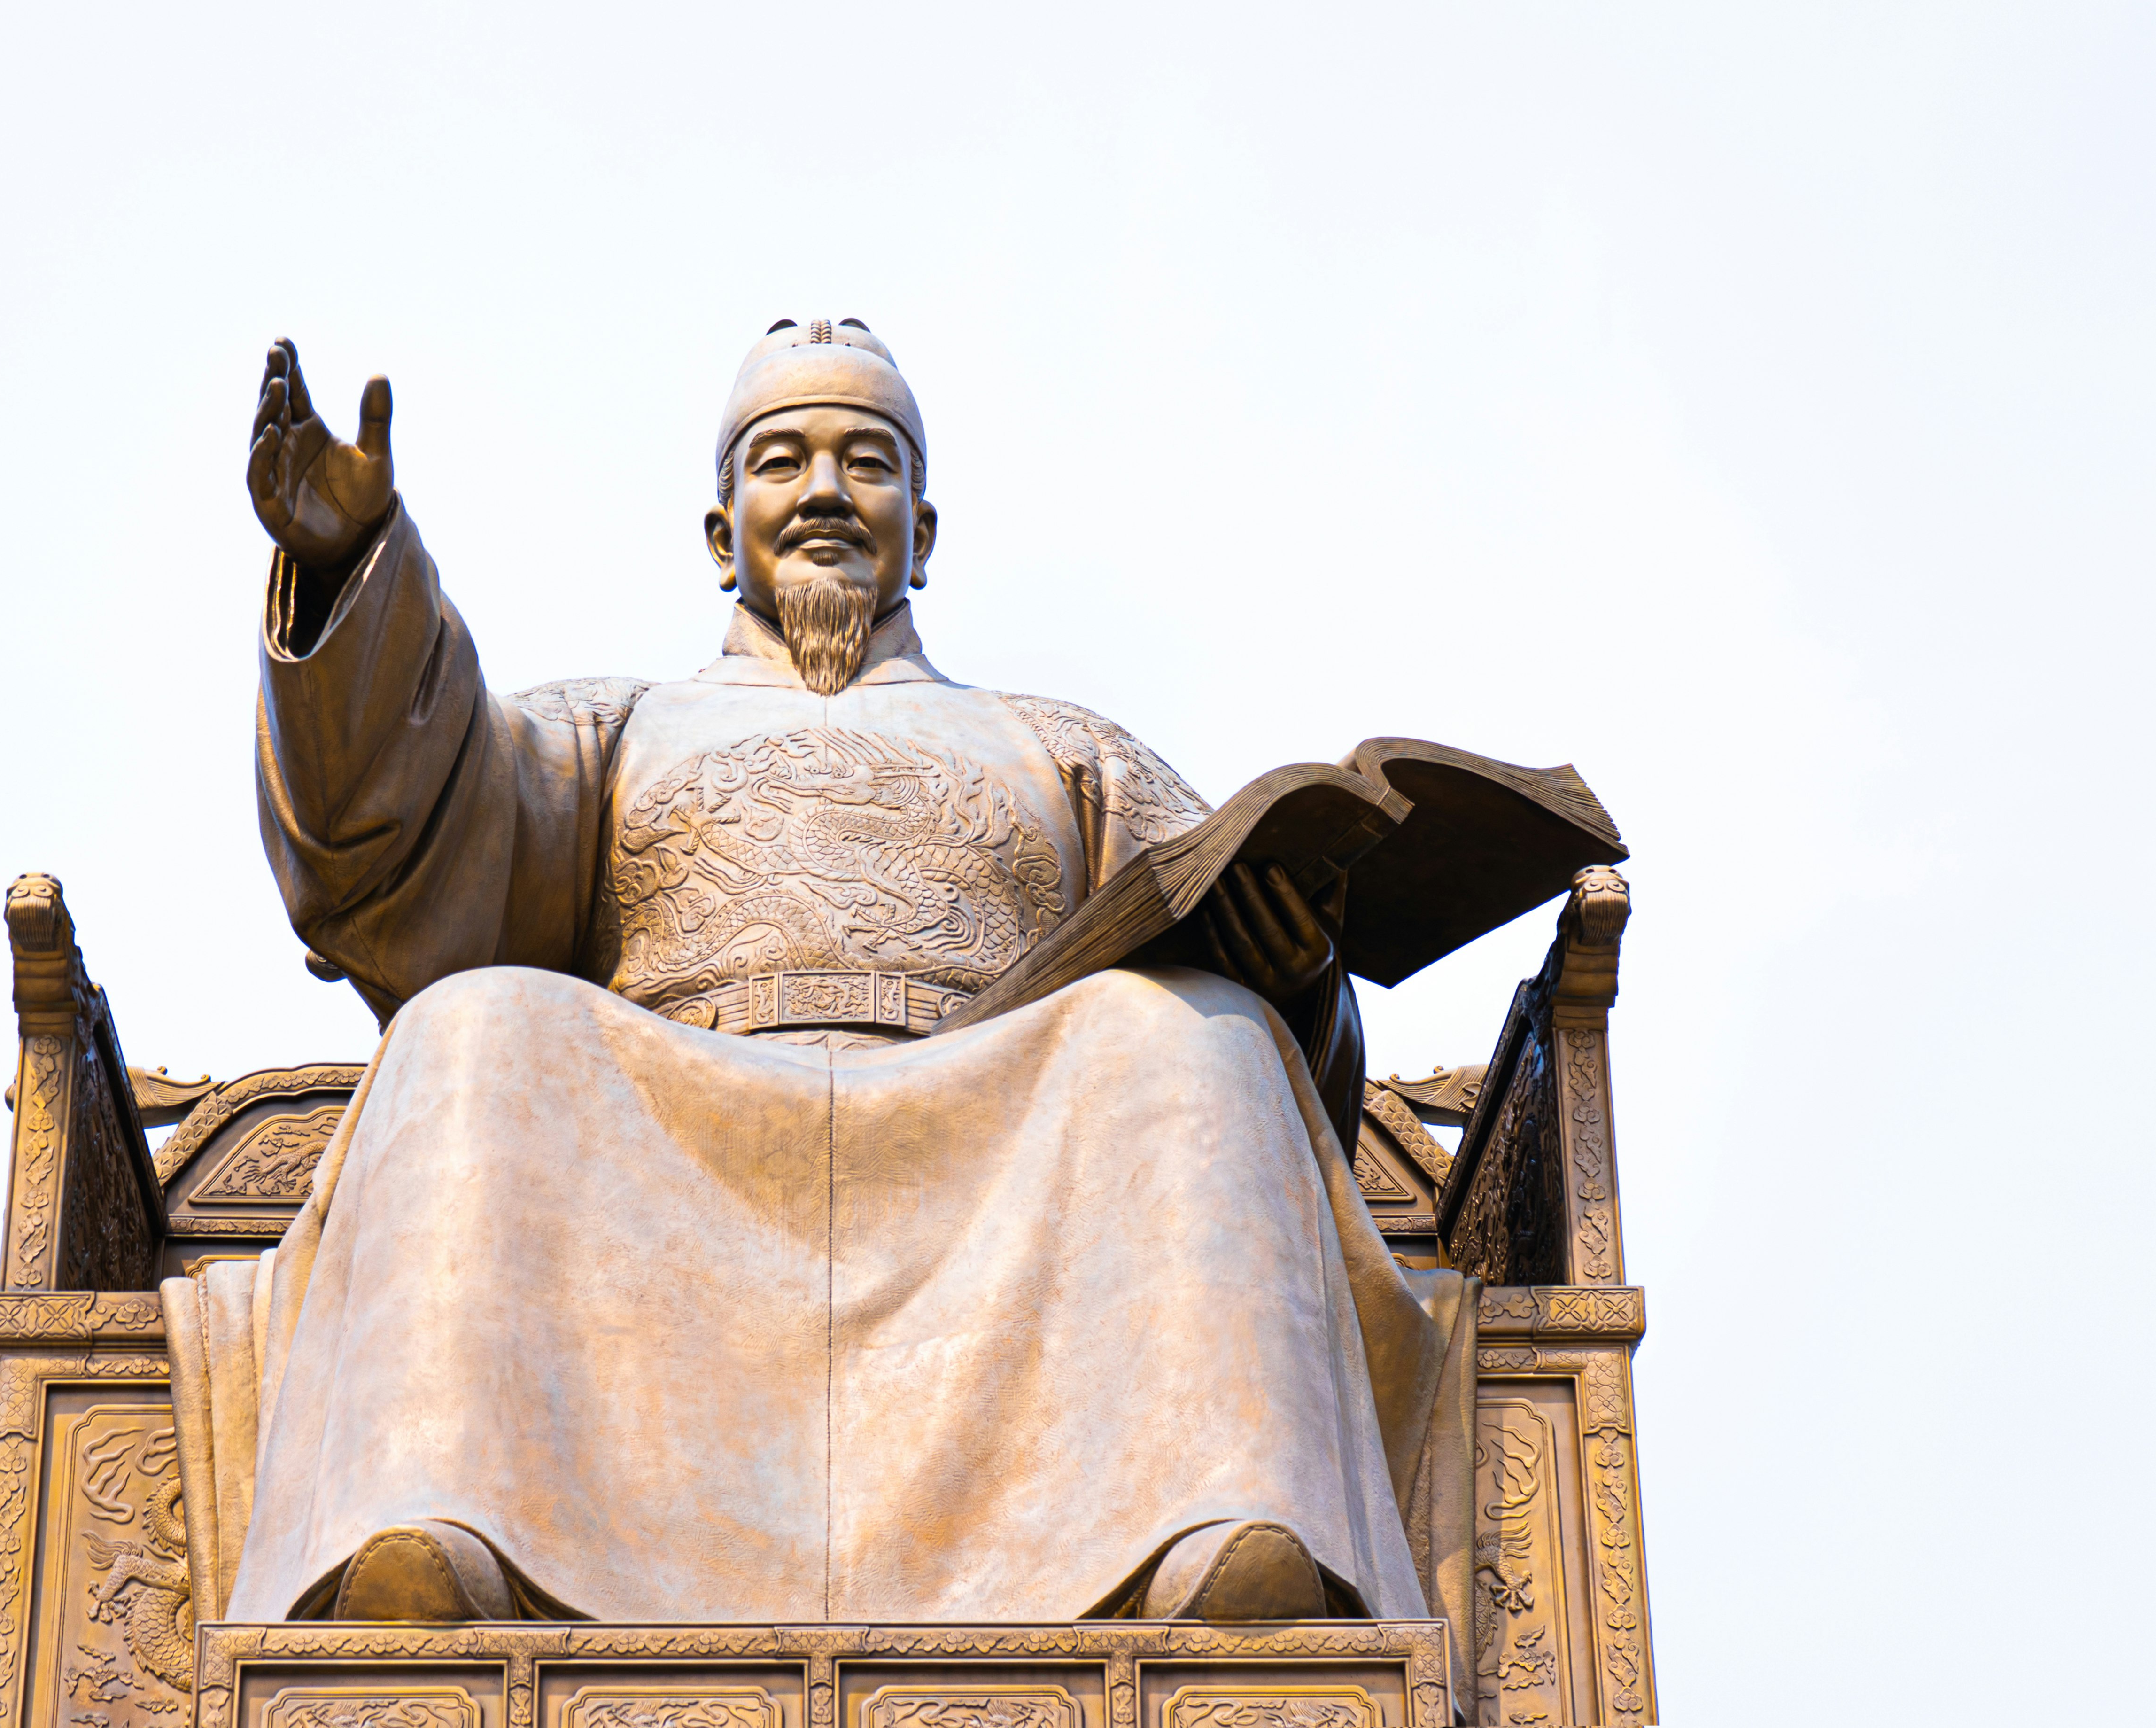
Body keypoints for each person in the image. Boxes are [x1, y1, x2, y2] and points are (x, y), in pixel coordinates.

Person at [209, 319, 1469, 1629]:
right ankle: (441, 1523)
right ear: (721, 533)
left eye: (866, 463)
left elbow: (1229, 957)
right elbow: (407, 847)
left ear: (920, 530)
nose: (823, 491)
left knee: (1196, 1031)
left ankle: (1214, 1524)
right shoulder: (610, 726)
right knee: (471, 1024)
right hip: (672, 1144)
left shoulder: (1061, 747)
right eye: (782, 462)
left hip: (994, 1152)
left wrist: (1296, 972)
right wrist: (347, 564)